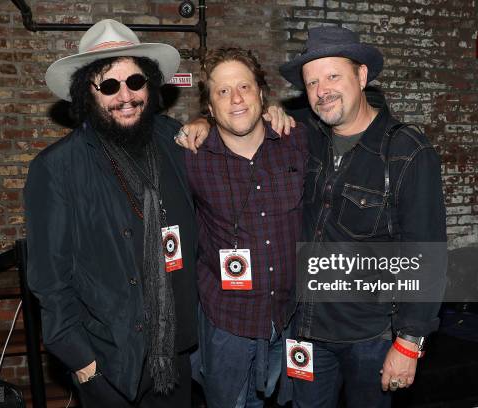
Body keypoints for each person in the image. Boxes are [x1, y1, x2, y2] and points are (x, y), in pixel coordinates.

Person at [24, 19, 199, 407]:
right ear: (87, 93)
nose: (125, 95)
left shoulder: (175, 143)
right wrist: (82, 361)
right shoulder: (57, 168)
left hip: (178, 350)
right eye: (108, 85)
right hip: (111, 361)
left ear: (150, 86)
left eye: (135, 82)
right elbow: (49, 279)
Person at [277, 26, 447, 408]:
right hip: (304, 330)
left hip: (369, 337)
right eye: (312, 82)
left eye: (334, 76)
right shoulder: (306, 136)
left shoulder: (407, 152)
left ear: (362, 76)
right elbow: (244, 122)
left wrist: (408, 342)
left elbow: (427, 257)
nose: (323, 90)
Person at [185, 47, 307, 407]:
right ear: (208, 106)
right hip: (227, 323)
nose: (235, 99)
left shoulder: (297, 140)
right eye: (222, 91)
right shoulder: (191, 156)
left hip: (290, 320)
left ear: (262, 94)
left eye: (244, 87)